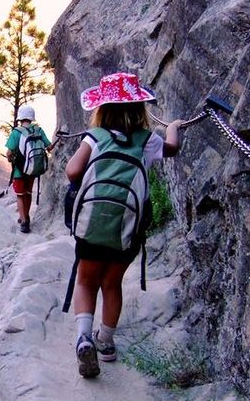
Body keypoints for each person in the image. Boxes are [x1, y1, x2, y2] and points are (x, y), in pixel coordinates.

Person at [64, 73, 183, 378]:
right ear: (140, 108)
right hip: (126, 230)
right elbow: (172, 149)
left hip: (91, 225)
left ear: (100, 109)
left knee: (86, 281)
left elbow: (72, 171)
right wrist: (172, 129)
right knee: (111, 283)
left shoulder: (96, 137)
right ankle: (105, 341)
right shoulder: (148, 140)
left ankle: (83, 338)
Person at [5, 105, 55, 233]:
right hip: (33, 168)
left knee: (20, 195)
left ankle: (24, 221)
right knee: (28, 193)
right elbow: (49, 147)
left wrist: (10, 159)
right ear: (32, 117)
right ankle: (26, 216)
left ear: (20, 118)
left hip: (20, 170)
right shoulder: (38, 130)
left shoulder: (16, 132)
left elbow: (9, 152)